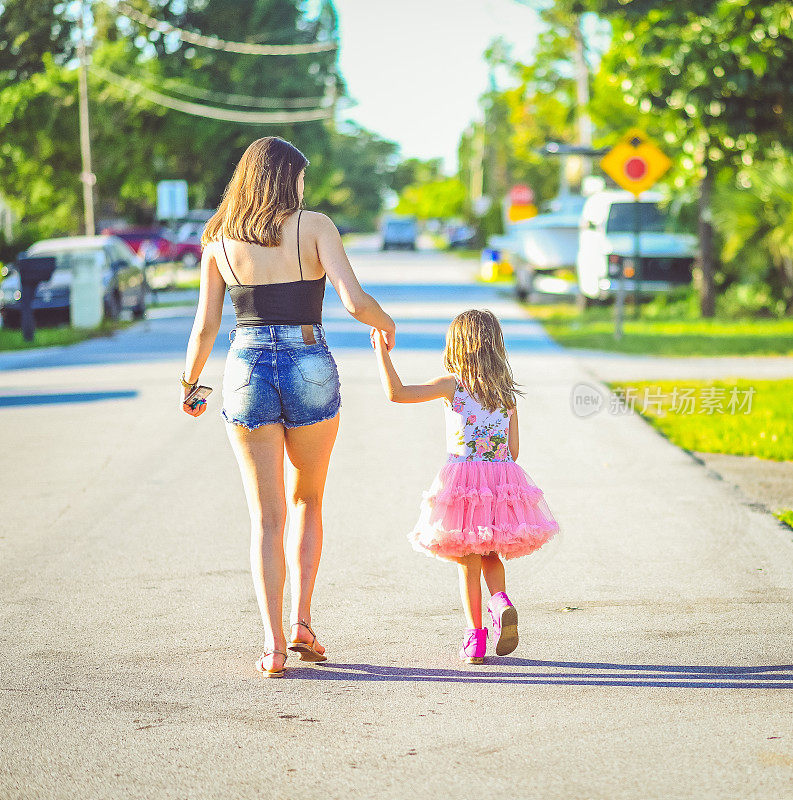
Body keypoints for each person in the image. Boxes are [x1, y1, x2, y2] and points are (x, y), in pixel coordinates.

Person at [180, 136, 395, 677]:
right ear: (286, 179)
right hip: (308, 362)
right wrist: (386, 325)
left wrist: (189, 384)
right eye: (300, 178)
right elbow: (354, 300)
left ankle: (274, 646)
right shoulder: (314, 226)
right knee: (309, 501)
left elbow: (206, 326)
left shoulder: (219, 242)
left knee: (266, 516)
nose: (304, 188)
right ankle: (302, 621)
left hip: (246, 366)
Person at [370, 309, 559, 664]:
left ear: (457, 346)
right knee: (491, 554)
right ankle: (500, 602)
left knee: (467, 561)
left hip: (463, 483)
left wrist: (381, 351)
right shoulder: (506, 394)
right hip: (501, 480)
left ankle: (476, 638)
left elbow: (397, 393)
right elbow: (513, 451)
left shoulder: (453, 385)